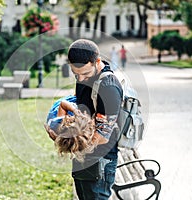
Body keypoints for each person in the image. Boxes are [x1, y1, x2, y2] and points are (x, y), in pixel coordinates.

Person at [66, 39, 123, 199]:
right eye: (76, 74)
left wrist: (68, 143)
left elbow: (102, 137)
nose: (81, 78)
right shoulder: (83, 76)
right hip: (84, 155)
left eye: (85, 74)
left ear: (97, 62)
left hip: (100, 161)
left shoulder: (108, 88)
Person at [44, 95, 98, 162]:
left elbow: (63, 104)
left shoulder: (58, 122)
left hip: (59, 107)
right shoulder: (72, 140)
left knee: (78, 96)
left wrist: (74, 110)